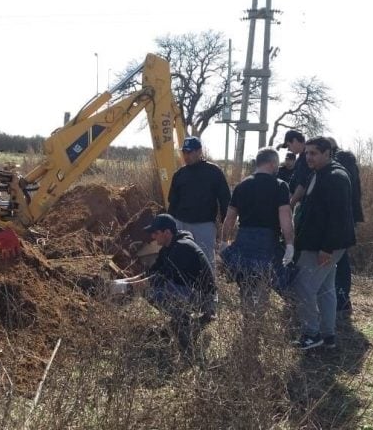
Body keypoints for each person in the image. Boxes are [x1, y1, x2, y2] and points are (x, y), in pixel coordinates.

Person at [113, 214, 216, 360]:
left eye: (156, 233)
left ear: (167, 232)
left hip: (204, 298)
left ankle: (186, 323)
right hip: (188, 290)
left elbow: (162, 277)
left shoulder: (182, 247)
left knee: (154, 292)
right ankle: (182, 319)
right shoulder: (168, 247)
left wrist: (128, 288)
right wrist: (124, 282)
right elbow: (152, 271)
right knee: (149, 289)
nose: (153, 237)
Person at [291, 137, 355, 350]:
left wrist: (327, 248)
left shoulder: (336, 177)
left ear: (327, 153)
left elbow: (339, 216)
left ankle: (312, 333)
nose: (308, 157)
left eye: (314, 153)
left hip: (325, 245)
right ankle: (328, 336)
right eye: (307, 153)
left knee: (302, 286)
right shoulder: (317, 173)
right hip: (315, 242)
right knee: (325, 289)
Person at [220, 148, 295, 311]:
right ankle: (258, 325)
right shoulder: (280, 185)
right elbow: (285, 218)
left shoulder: (241, 186)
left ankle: (248, 325)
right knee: (263, 286)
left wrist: (224, 242)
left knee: (245, 285)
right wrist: (289, 244)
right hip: (267, 241)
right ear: (272, 163)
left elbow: (229, 218)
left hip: (243, 239)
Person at [168, 136, 231, 267]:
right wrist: (171, 226)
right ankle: (184, 287)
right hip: (181, 224)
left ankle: (208, 287)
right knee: (181, 261)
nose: (186, 155)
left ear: (199, 151)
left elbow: (225, 200)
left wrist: (226, 227)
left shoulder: (214, 172)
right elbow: (173, 203)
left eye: (189, 152)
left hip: (204, 226)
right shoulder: (179, 174)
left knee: (206, 262)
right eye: (184, 152)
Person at [329, 137, 364, 317]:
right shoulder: (349, 162)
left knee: (339, 261)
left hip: (342, 219)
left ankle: (341, 301)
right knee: (341, 260)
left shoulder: (339, 164)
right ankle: (341, 300)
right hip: (350, 218)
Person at [277, 130, 311, 209]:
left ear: (295, 141)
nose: (288, 149)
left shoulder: (306, 158)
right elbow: (294, 182)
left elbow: (302, 186)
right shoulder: (300, 159)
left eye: (289, 145)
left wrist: (290, 205)